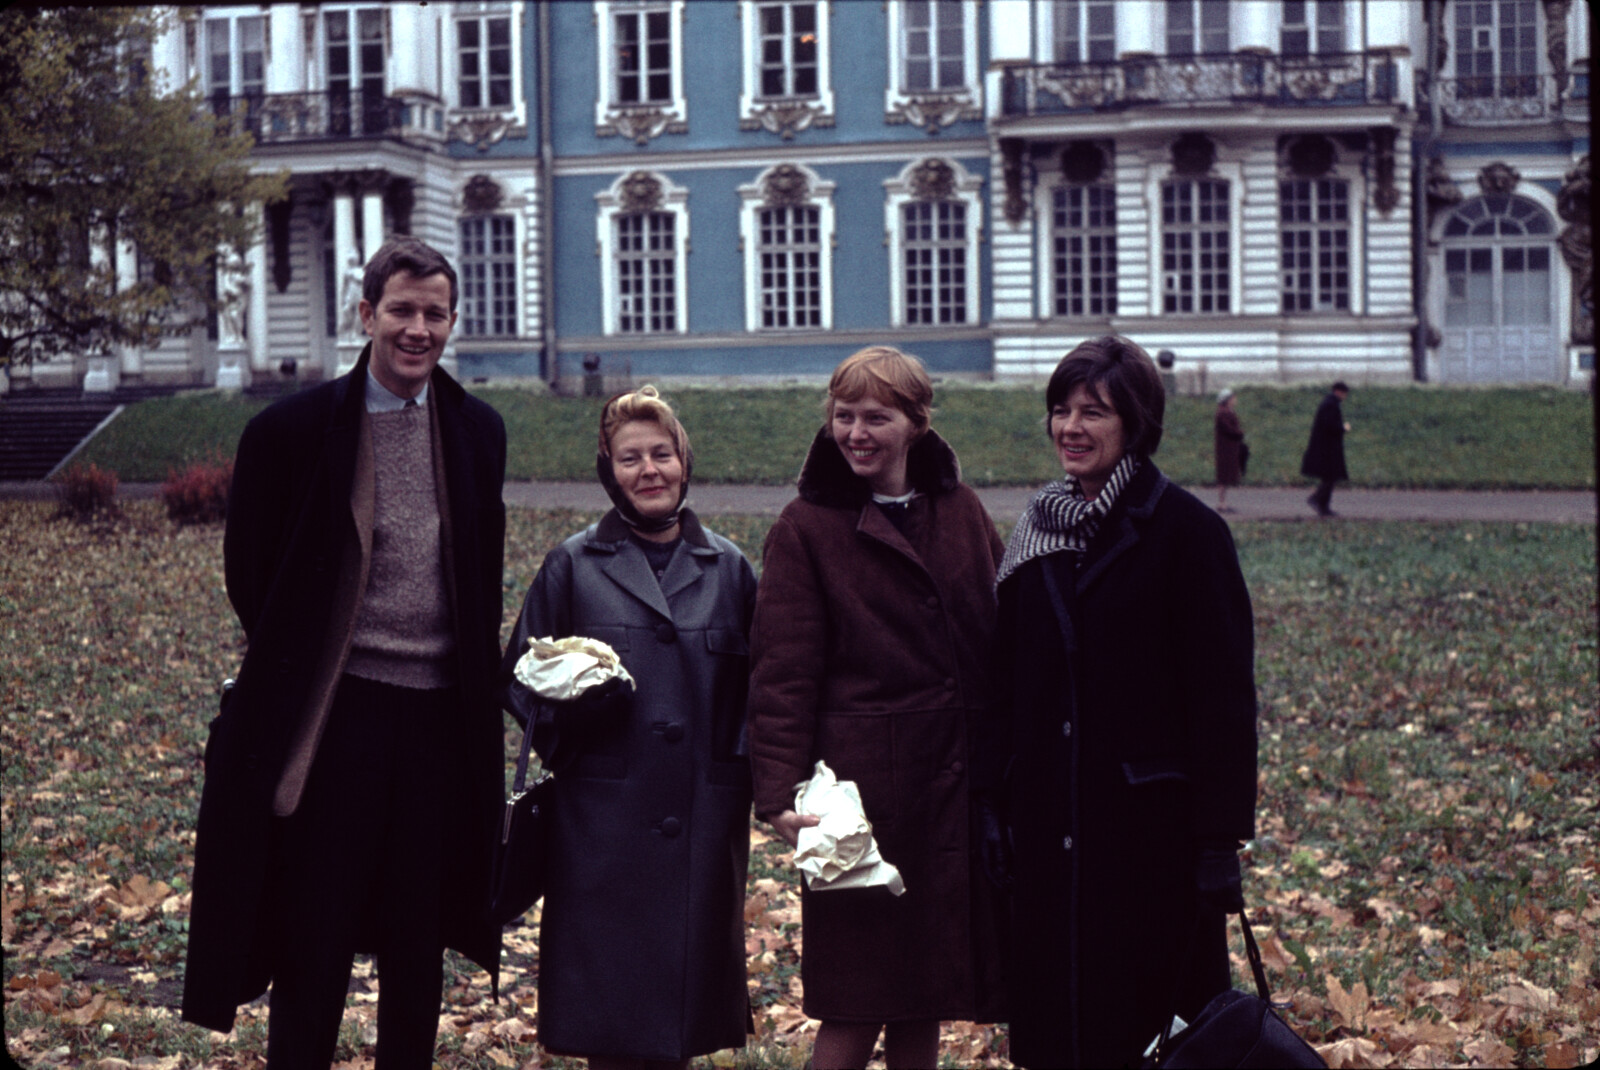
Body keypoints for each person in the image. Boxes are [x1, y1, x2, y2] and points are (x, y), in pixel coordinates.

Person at [182, 237, 509, 1068]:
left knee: (417, 943)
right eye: (401, 309)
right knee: (314, 940)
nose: (418, 328)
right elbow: (254, 577)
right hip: (337, 722)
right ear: (365, 315)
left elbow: (477, 574)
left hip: (438, 724)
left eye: (435, 313)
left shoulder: (476, 432)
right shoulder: (290, 432)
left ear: (452, 323)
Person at [979, 336, 1257, 1068]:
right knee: (1055, 1032)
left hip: (1148, 841)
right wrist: (991, 800)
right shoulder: (1033, 535)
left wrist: (1219, 841)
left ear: (1134, 423)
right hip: (1046, 832)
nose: (1070, 427)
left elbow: (1224, 700)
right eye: (1060, 410)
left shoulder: (1188, 534)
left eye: (1092, 412)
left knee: (1155, 1035)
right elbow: (1002, 684)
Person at [747, 346, 1006, 1070]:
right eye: (844, 416)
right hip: (858, 806)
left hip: (949, 790)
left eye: (877, 418)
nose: (857, 433)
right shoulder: (806, 526)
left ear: (916, 425)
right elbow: (782, 673)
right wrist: (776, 792)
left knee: (925, 996)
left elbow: (997, 636)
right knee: (858, 1004)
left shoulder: (960, 512)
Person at [500, 385, 758, 1070]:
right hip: (603, 827)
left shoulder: (731, 569)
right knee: (611, 1021)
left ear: (684, 461)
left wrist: (746, 770)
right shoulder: (572, 565)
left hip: (703, 822)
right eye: (629, 458)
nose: (649, 471)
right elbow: (519, 681)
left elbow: (768, 690)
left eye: (662, 454)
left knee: (680, 1020)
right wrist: (575, 717)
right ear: (606, 471)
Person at [1301, 381, 1350, 517]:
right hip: (1327, 449)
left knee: (1329, 477)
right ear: (1338, 391)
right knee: (1330, 477)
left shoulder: (1329, 403)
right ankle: (1316, 499)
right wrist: (1343, 428)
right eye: (1344, 393)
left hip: (1326, 447)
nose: (1345, 396)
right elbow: (1330, 426)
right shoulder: (1330, 405)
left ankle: (1324, 507)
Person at [1213, 387, 1245, 513]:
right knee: (1223, 476)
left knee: (1226, 476)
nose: (1235, 400)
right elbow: (1229, 429)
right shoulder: (1222, 413)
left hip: (1230, 448)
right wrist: (1240, 433)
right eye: (1233, 398)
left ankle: (1223, 502)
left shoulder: (1227, 411)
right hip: (1224, 449)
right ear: (1227, 400)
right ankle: (1221, 503)